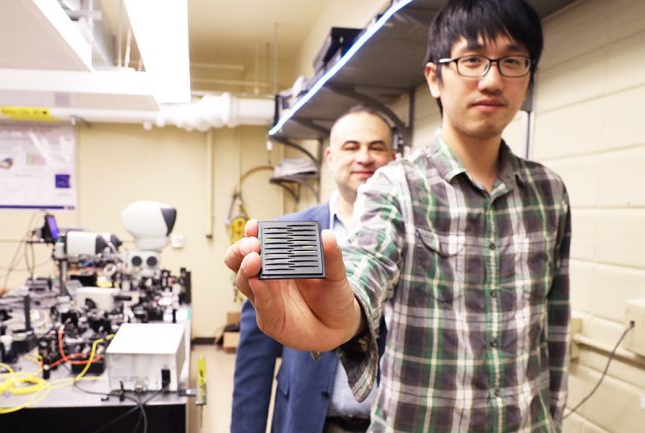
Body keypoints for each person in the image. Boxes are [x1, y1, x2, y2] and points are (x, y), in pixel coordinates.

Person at [225, 1, 572, 432]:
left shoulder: (549, 193)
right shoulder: (389, 191)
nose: (492, 78)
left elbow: (553, 331)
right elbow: (364, 272)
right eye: (472, 60)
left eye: (513, 61)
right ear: (435, 76)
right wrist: (343, 319)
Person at [231, 106, 396, 433]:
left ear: (392, 157)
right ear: (330, 157)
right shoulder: (291, 233)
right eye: (351, 147)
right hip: (307, 421)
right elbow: (255, 356)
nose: (364, 157)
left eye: (376, 147)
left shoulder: (412, 236)